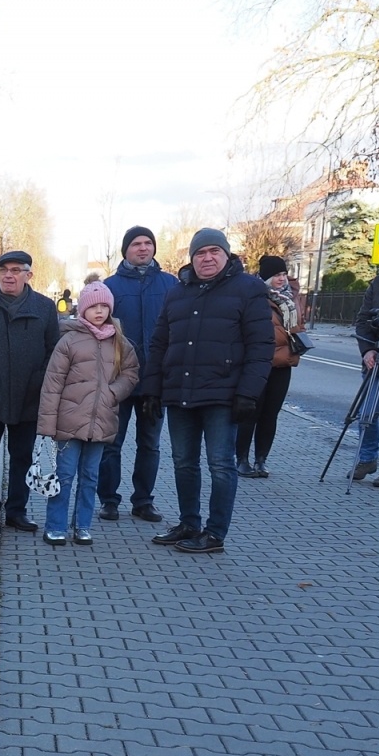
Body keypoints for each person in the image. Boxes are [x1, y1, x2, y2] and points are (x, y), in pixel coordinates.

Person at [139, 228, 272, 554]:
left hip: (223, 395)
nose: (207, 258)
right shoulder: (177, 292)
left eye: (214, 251)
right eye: (200, 253)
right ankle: (189, 523)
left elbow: (261, 346)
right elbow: (159, 344)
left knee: (221, 465)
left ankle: (214, 533)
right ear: (192, 258)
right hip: (180, 392)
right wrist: (151, 389)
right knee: (183, 462)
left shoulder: (248, 289)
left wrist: (249, 393)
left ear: (227, 254)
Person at [0, 249, 61, 532]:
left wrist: (37, 381)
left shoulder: (44, 307)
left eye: (16, 270)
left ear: (28, 275)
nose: (9, 275)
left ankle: (17, 511)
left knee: (22, 456)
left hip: (28, 396)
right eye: (4, 270)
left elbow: (53, 350)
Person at [37, 279, 139, 545]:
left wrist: (113, 392)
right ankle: (55, 526)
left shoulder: (119, 342)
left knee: (91, 477)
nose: (100, 311)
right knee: (64, 476)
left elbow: (131, 372)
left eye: (104, 306)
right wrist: (47, 424)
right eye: (94, 306)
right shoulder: (69, 341)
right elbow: (52, 383)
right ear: (83, 309)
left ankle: (82, 525)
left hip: (102, 421)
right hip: (69, 423)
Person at [100, 225, 178, 522]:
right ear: (126, 250)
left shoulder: (170, 284)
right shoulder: (110, 286)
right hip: (118, 378)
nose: (143, 248)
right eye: (136, 244)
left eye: (148, 243)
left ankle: (143, 501)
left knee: (150, 445)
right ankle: (109, 500)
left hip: (156, 380)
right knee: (111, 443)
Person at [236, 255, 302, 478]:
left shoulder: (291, 298)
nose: (281, 279)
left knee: (270, 414)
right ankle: (241, 459)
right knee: (250, 413)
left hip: (282, 364)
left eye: (284, 274)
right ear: (265, 277)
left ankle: (261, 459)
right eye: (276, 275)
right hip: (258, 364)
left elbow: (297, 326)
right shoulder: (254, 295)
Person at [351, 259, 379, 486]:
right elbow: (363, 320)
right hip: (378, 358)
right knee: (366, 412)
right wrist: (367, 350)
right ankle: (367, 459)